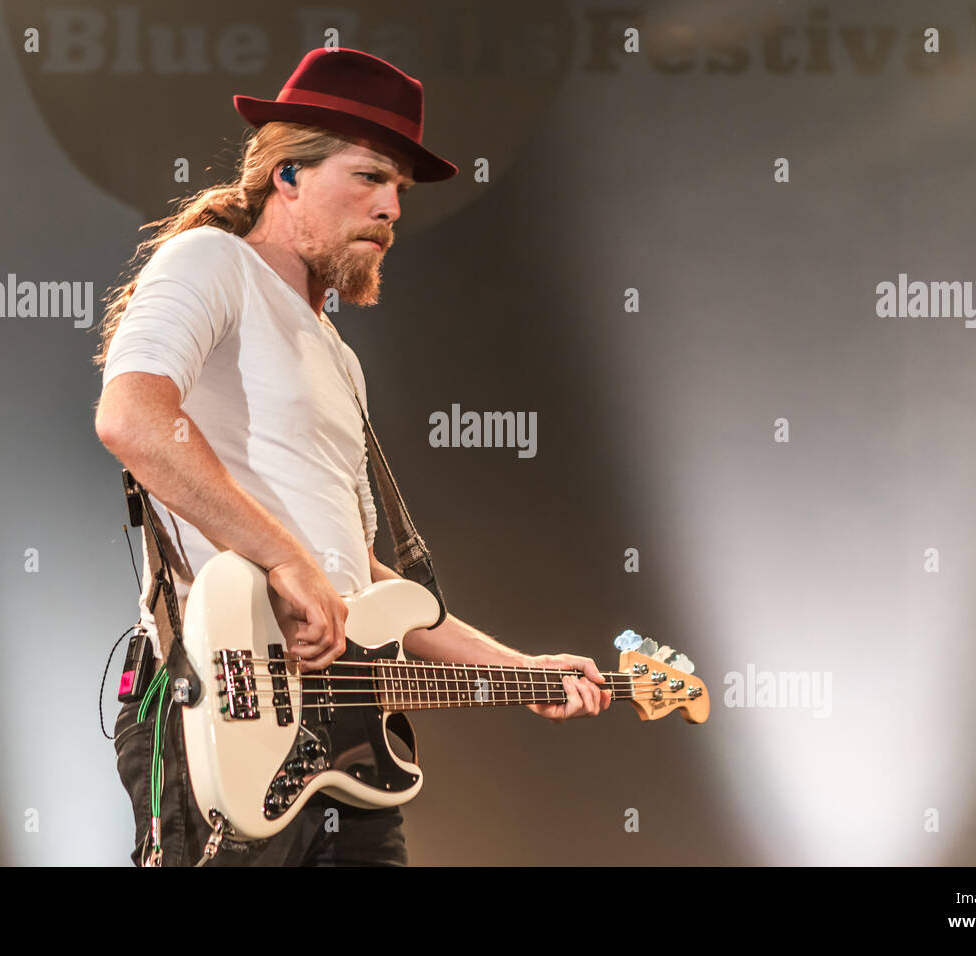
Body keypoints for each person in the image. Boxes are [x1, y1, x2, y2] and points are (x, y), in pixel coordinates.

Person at [93, 47, 609, 867]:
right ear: (286, 174)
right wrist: (284, 559)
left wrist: (522, 669)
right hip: (220, 710)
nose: (392, 206)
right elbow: (132, 419)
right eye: (370, 176)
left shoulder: (336, 354)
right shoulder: (213, 264)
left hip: (339, 742)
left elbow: (364, 585)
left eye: (400, 188)